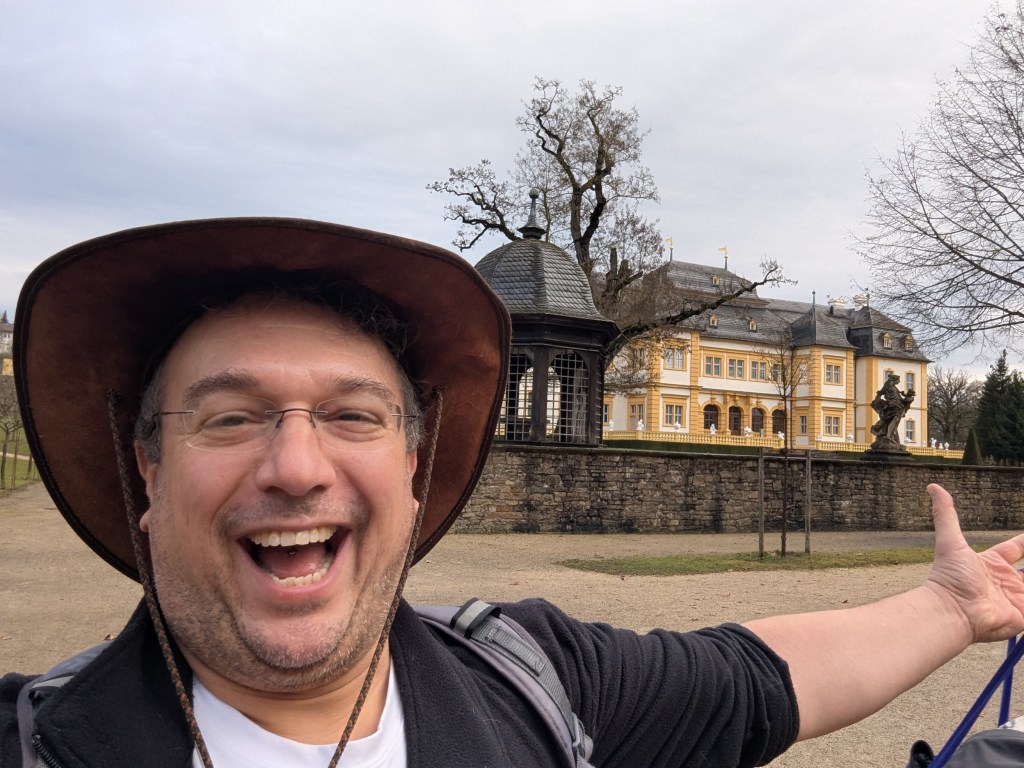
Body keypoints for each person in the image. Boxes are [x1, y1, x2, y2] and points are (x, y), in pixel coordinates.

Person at [2, 217, 1024, 768]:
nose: (297, 465)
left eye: (354, 415)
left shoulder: (536, 680)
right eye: (231, 417)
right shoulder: (32, 742)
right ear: (147, 467)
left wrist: (952, 606)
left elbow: (754, 679)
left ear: (414, 466)